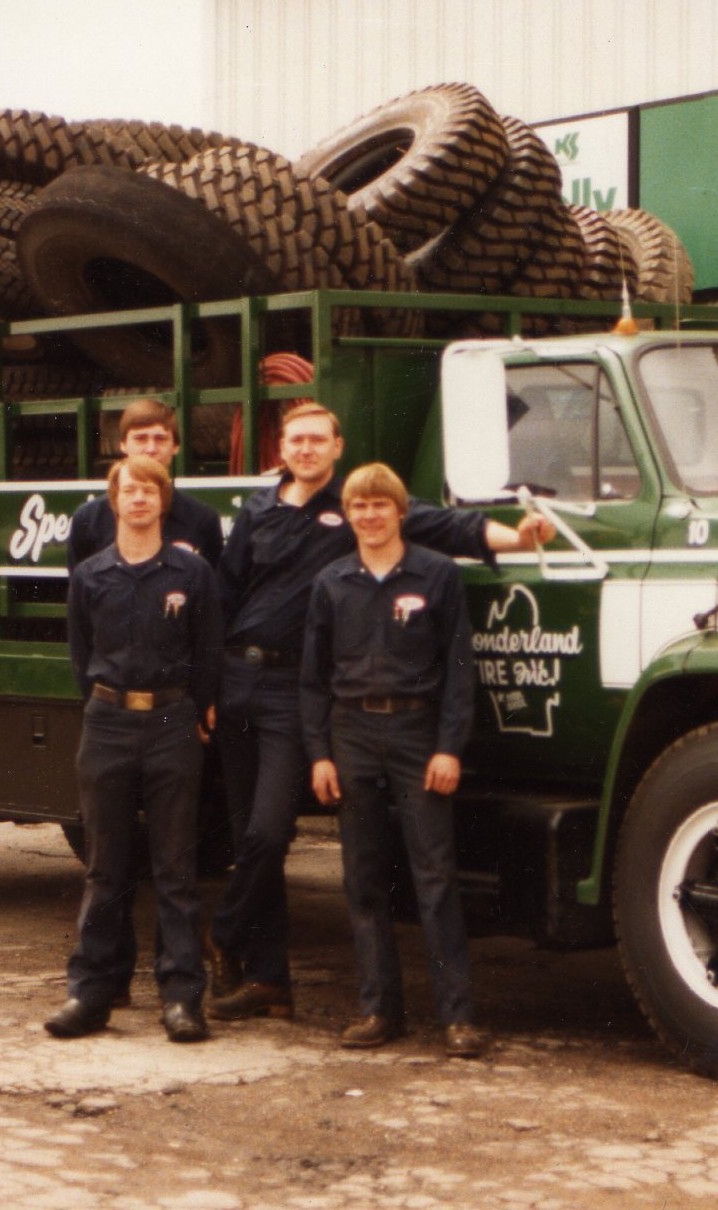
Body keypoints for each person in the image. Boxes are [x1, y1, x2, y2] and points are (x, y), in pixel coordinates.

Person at [205, 402, 552, 1022]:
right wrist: (209, 684)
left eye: (318, 440)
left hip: (294, 685)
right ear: (280, 449)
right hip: (238, 680)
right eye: (296, 441)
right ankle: (268, 981)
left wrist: (517, 536)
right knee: (246, 835)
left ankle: (224, 931)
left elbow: (449, 528)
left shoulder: (359, 501)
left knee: (267, 831)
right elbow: (225, 593)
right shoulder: (256, 510)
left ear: (338, 447)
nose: (306, 449)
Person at [302, 462, 483, 1057]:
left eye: (381, 505)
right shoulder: (331, 582)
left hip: (416, 734)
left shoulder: (436, 576)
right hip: (352, 733)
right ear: (347, 514)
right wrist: (320, 756)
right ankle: (380, 1011)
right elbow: (312, 679)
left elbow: (459, 671)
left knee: (435, 879)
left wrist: (448, 748)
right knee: (363, 880)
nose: (370, 516)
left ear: (401, 511)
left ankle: (457, 1018)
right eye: (359, 507)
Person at [46, 455, 223, 1043]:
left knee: (175, 868)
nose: (140, 498)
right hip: (107, 724)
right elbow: (79, 657)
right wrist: (106, 704)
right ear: (114, 501)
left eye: (150, 489)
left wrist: (192, 708)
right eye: (129, 489)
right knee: (105, 866)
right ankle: (92, 993)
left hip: (172, 722)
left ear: (162, 501)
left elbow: (208, 650)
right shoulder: (90, 575)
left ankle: (181, 999)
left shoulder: (191, 574)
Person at [67, 397, 224, 571]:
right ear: (123, 445)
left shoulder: (202, 519)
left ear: (176, 446)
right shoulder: (88, 519)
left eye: (160, 439)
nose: (151, 449)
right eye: (140, 439)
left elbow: (211, 591)